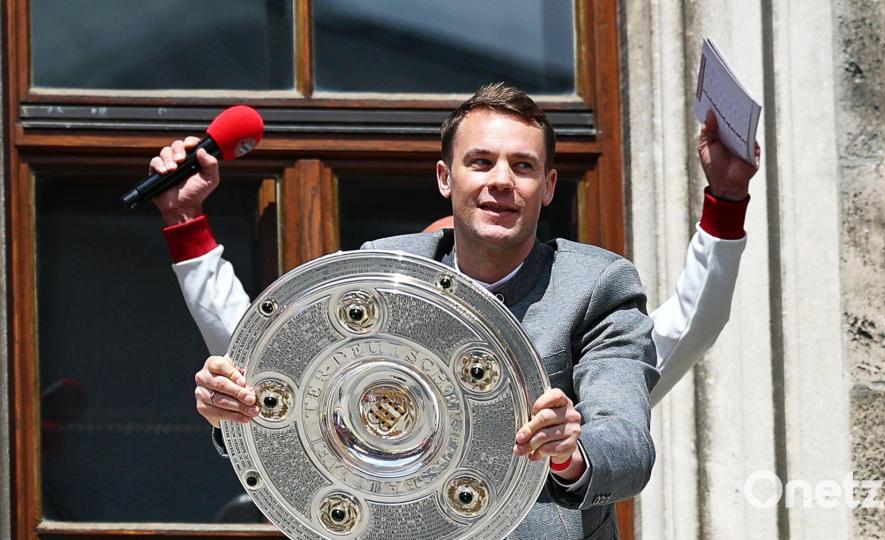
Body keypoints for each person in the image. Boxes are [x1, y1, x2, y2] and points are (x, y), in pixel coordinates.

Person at [151, 84, 757, 539]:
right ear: (446, 178)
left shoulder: (593, 288)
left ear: (548, 186)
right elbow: (283, 381)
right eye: (480, 162)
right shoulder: (381, 274)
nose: (500, 181)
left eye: (523, 166)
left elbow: (626, 438)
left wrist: (570, 450)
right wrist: (235, 409)